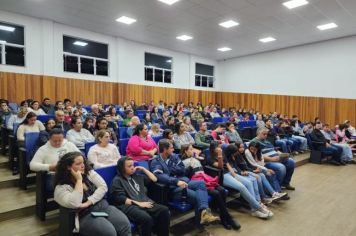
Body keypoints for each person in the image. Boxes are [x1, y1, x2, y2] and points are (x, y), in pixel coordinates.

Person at [54, 152, 131, 236]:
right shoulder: (61, 187)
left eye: (83, 162)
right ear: (68, 167)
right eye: (78, 164)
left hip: (103, 207)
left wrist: (88, 202)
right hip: (85, 215)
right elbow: (75, 203)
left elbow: (103, 187)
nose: (83, 165)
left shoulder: (89, 173)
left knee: (124, 225)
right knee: (109, 232)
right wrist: (79, 180)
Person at [150, 139, 219, 233]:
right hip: (173, 188)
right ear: (165, 149)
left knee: (201, 183)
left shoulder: (174, 157)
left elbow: (182, 169)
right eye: (171, 148)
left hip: (184, 182)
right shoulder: (156, 162)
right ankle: (201, 227)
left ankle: (204, 212)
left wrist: (169, 170)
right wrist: (175, 180)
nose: (173, 150)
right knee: (197, 197)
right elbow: (160, 176)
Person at [180, 144, 241, 230]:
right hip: (197, 184)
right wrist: (190, 167)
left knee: (222, 190)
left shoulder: (196, 158)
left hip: (206, 179)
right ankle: (228, 219)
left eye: (193, 148)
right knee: (216, 193)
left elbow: (204, 164)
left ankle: (224, 217)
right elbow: (185, 176)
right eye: (190, 149)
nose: (193, 150)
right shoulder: (183, 162)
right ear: (185, 151)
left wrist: (198, 156)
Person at [207, 142, 273, 219]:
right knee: (241, 187)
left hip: (230, 173)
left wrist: (235, 176)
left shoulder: (223, 154)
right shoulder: (209, 158)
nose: (220, 149)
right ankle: (258, 207)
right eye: (218, 147)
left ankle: (254, 209)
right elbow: (220, 166)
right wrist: (220, 155)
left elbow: (228, 166)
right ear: (214, 148)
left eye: (220, 147)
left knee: (248, 182)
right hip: (222, 176)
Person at [110, 157, 170, 236]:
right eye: (129, 166)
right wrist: (139, 204)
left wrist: (143, 169)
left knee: (164, 211)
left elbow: (154, 179)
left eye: (133, 165)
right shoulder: (117, 180)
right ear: (122, 168)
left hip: (144, 201)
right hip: (129, 205)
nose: (132, 167)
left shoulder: (137, 176)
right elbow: (120, 198)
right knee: (146, 219)